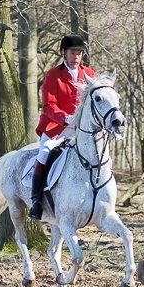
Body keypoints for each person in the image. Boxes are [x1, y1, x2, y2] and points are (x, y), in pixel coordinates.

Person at [28, 34, 95, 220]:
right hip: (56, 127)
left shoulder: (89, 75)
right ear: (64, 54)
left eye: (80, 53)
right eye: (73, 53)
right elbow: (48, 105)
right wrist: (65, 117)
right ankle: (36, 201)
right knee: (44, 153)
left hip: (80, 129)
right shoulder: (53, 75)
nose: (76, 57)